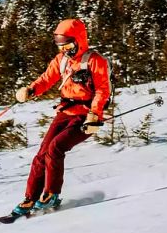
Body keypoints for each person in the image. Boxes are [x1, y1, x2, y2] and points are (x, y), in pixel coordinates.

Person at [12, 18, 111, 215]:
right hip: (65, 112)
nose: (64, 50)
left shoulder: (95, 60)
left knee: (55, 148)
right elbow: (46, 79)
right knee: (42, 154)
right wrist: (31, 90)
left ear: (79, 40)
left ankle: (51, 194)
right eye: (60, 46)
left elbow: (102, 90)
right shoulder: (62, 60)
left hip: (87, 116)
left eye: (67, 45)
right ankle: (30, 198)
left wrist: (95, 114)